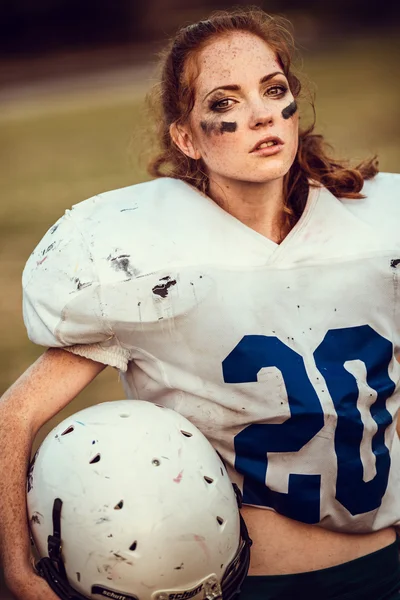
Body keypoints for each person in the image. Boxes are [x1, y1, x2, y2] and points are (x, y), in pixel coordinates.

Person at [1, 6, 400, 600]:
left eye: (274, 90)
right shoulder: (149, 260)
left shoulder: (377, 227)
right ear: (185, 138)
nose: (262, 114)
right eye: (225, 103)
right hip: (248, 584)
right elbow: (14, 417)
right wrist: (17, 571)